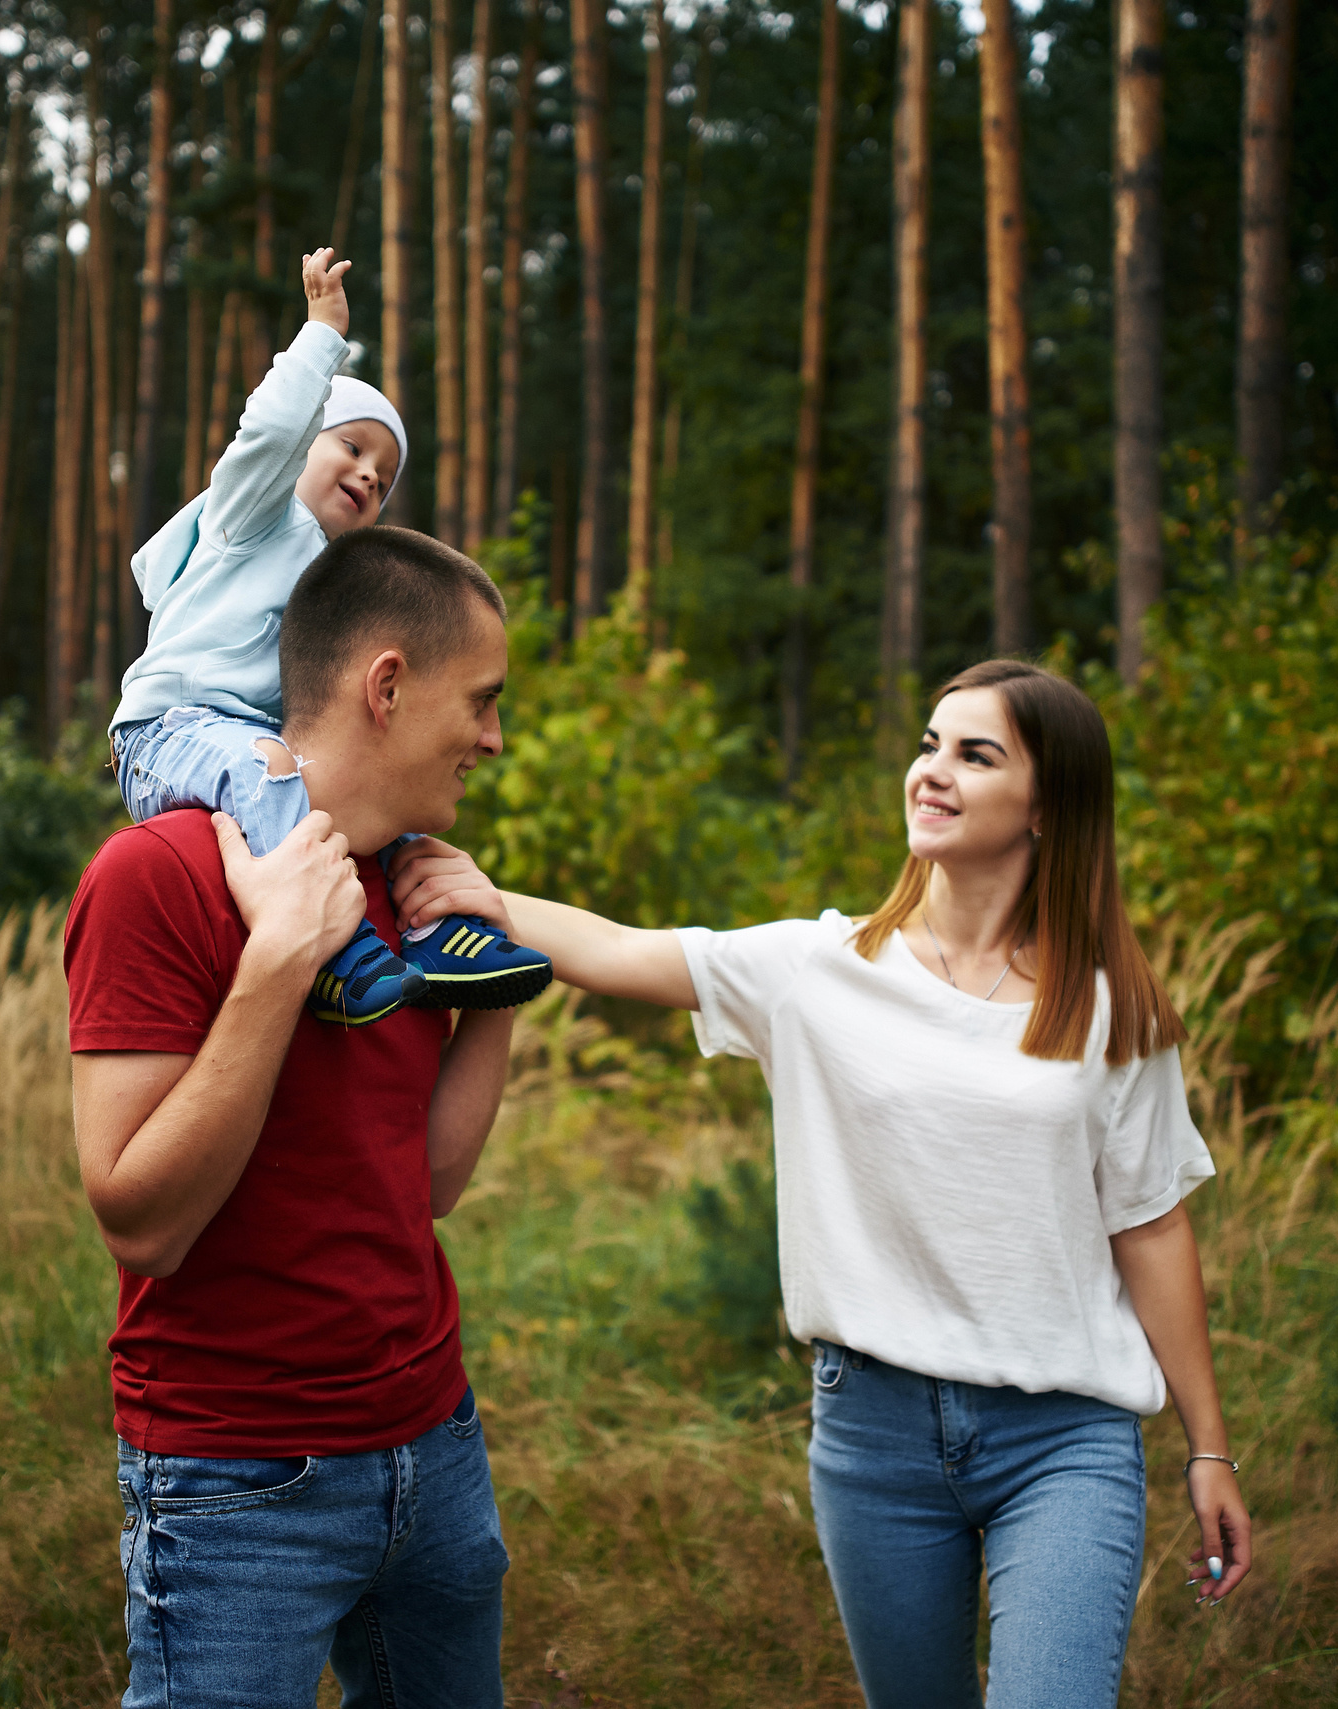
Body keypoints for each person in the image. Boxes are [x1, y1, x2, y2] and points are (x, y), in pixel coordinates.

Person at [387, 658, 1257, 1709]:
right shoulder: (821, 968)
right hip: (872, 1434)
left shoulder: (1110, 1008)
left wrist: (1208, 1446)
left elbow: (1151, 1227)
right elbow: (622, 949)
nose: (932, 771)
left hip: (1064, 1437)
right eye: (930, 742)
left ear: (1046, 806)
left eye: (976, 754)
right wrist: (482, 894)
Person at [67, 527, 525, 1708]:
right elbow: (142, 1223)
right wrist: (279, 964)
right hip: (236, 1479)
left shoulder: (411, 880)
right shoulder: (155, 874)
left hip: (433, 1444)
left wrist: (493, 986)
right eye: (479, 700)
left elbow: (423, 1186)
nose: (493, 737)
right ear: (386, 684)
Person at [110, 244, 549, 1025]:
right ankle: (336, 956)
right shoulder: (247, 519)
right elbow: (269, 436)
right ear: (304, 447)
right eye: (352, 446)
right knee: (272, 764)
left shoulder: (327, 579)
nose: (370, 476)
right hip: (166, 732)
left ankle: (441, 933)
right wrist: (321, 335)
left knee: (389, 794)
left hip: (253, 746)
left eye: (384, 476)